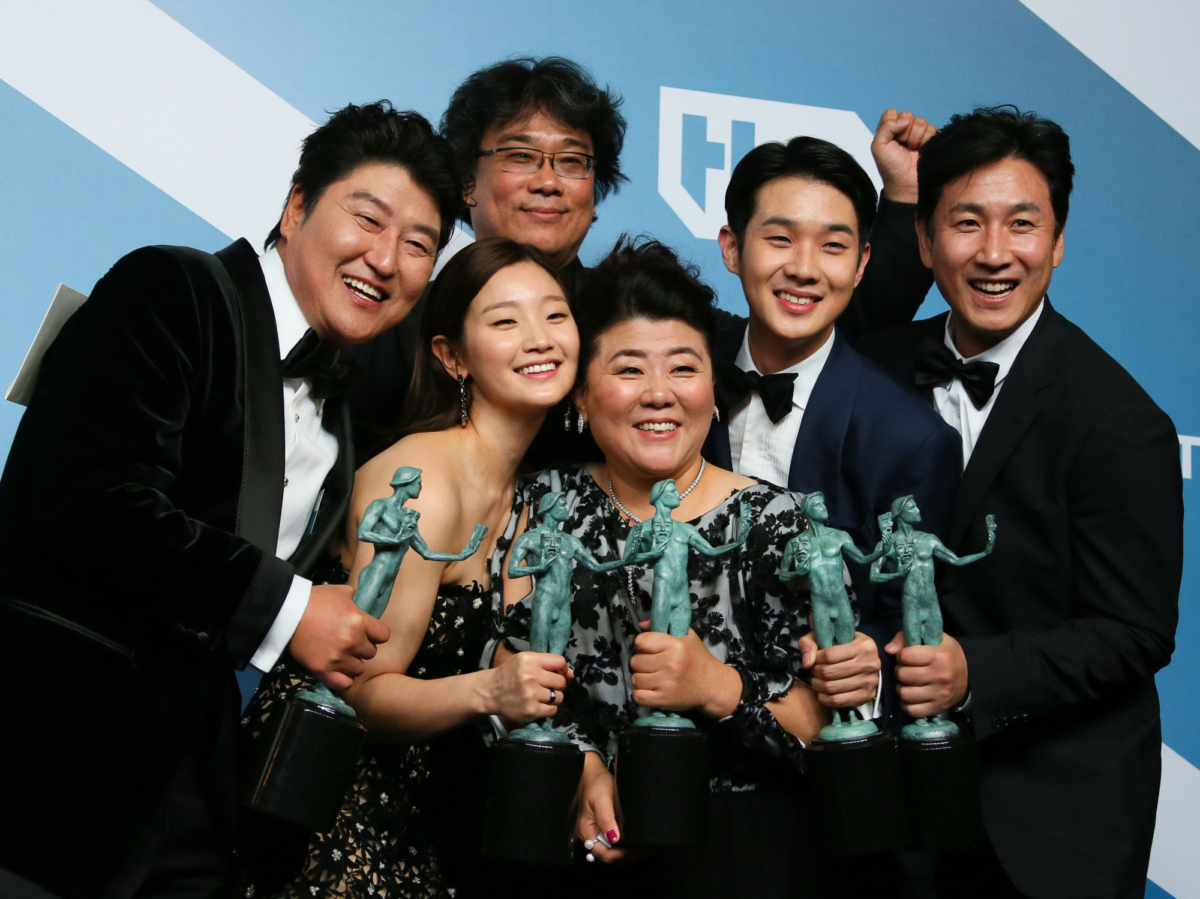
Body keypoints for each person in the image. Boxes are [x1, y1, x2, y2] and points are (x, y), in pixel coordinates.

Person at [0, 102, 464, 898]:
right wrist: (292, 608)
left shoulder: (340, 403)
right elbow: (92, 500)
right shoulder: (170, 288)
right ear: (296, 206)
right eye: (367, 219)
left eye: (418, 245)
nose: (386, 259)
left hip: (188, 795)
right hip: (47, 768)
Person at [857, 106, 1182, 899]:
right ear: (926, 241)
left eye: (1023, 224)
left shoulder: (1117, 418)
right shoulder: (875, 368)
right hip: (879, 806)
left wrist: (975, 670)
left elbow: (1133, 631)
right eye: (967, 223)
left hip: (1044, 826)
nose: (995, 252)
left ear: (1058, 241)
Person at [346, 55, 939, 464]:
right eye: (520, 155)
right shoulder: (395, 319)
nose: (548, 181)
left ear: (595, 193)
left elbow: (812, 326)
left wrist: (905, 201)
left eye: (573, 161)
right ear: (465, 183)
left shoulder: (631, 310)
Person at [238, 238, 581, 898]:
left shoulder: (530, 496)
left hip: (418, 814)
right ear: (453, 357)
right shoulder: (422, 483)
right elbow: (360, 689)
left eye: (555, 314)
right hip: (320, 804)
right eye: (505, 321)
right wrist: (491, 690)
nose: (539, 338)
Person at [497, 238, 829, 898]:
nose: (659, 395)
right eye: (628, 369)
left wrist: (715, 685)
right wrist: (580, 763)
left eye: (683, 368)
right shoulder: (543, 503)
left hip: (741, 855)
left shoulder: (778, 521)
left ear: (712, 388)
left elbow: (821, 728)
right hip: (571, 841)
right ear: (581, 395)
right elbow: (505, 656)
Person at [707, 134, 960, 735]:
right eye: (779, 239)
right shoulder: (676, 373)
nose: (803, 268)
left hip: (812, 746)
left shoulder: (911, 439)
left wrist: (869, 660)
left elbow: (910, 616)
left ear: (862, 263)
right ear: (732, 247)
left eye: (833, 246)